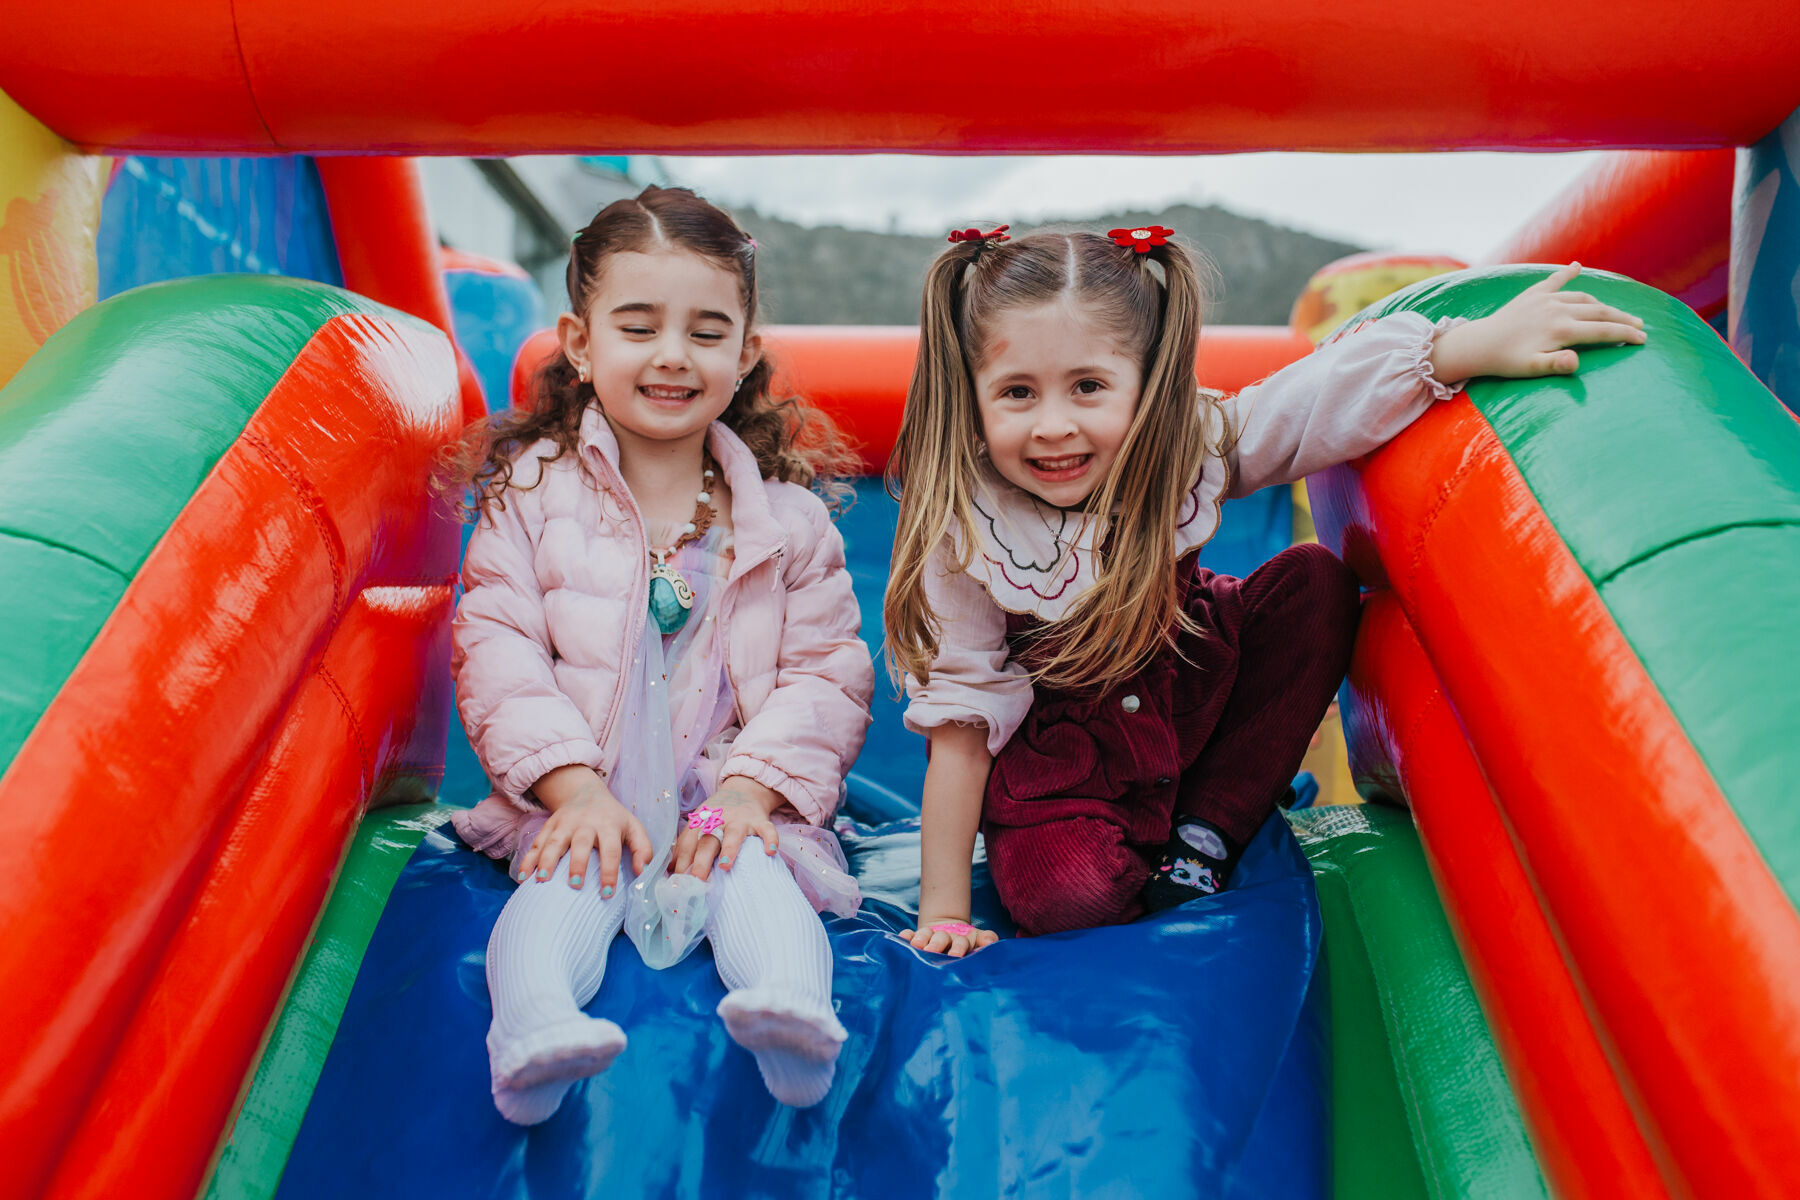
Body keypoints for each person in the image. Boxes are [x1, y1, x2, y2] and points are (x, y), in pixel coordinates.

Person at [884, 224, 1643, 955]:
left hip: (1191, 694)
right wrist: (945, 908)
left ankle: (1208, 831)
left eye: (1089, 386)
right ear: (972, 395)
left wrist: (1459, 348)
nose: (1055, 426)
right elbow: (963, 723)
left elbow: (1308, 402)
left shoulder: (1188, 447)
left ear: (1146, 387)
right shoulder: (970, 534)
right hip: (1069, 774)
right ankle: (1169, 832)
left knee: (1315, 583)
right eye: (1017, 393)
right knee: (1066, 901)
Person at [449, 185, 872, 1121]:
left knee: (758, 888)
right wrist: (570, 787)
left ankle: (794, 1024)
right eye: (638, 327)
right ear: (581, 340)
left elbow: (825, 676)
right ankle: (530, 1034)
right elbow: (497, 648)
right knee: (561, 893)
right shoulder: (534, 493)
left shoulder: (788, 523)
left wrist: (747, 793)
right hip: (589, 796)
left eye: (706, 331)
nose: (673, 356)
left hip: (722, 800)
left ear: (746, 353)